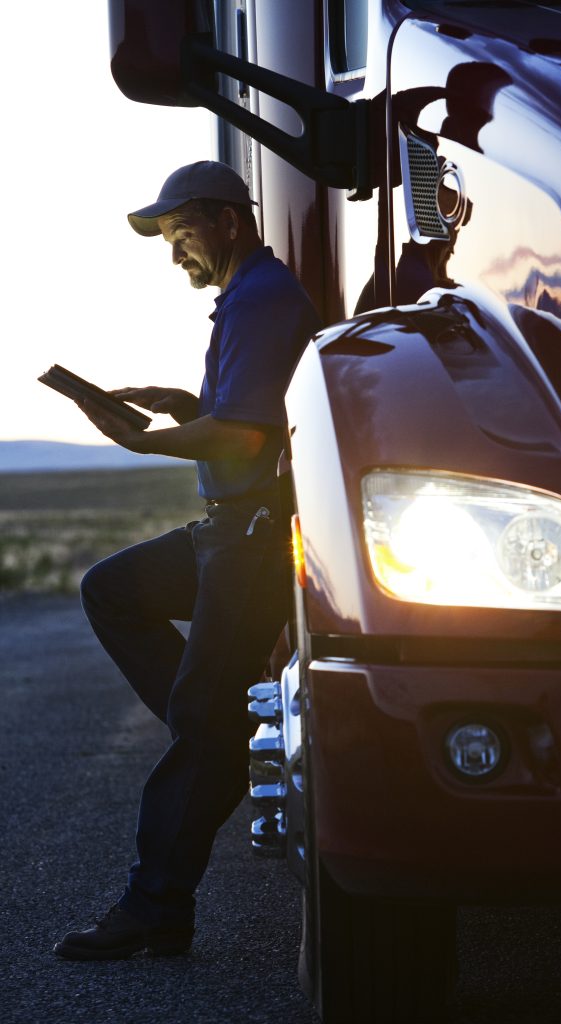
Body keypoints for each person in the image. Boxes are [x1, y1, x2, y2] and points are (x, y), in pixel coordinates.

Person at [53, 160, 321, 960]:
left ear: (227, 223)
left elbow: (245, 437)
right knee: (113, 589)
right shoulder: (244, 298)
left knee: (203, 721)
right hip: (224, 529)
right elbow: (243, 416)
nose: (175, 253)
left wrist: (147, 438)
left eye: (181, 235)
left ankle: (156, 904)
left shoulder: (264, 298)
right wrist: (186, 407)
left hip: (252, 537)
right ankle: (218, 735)